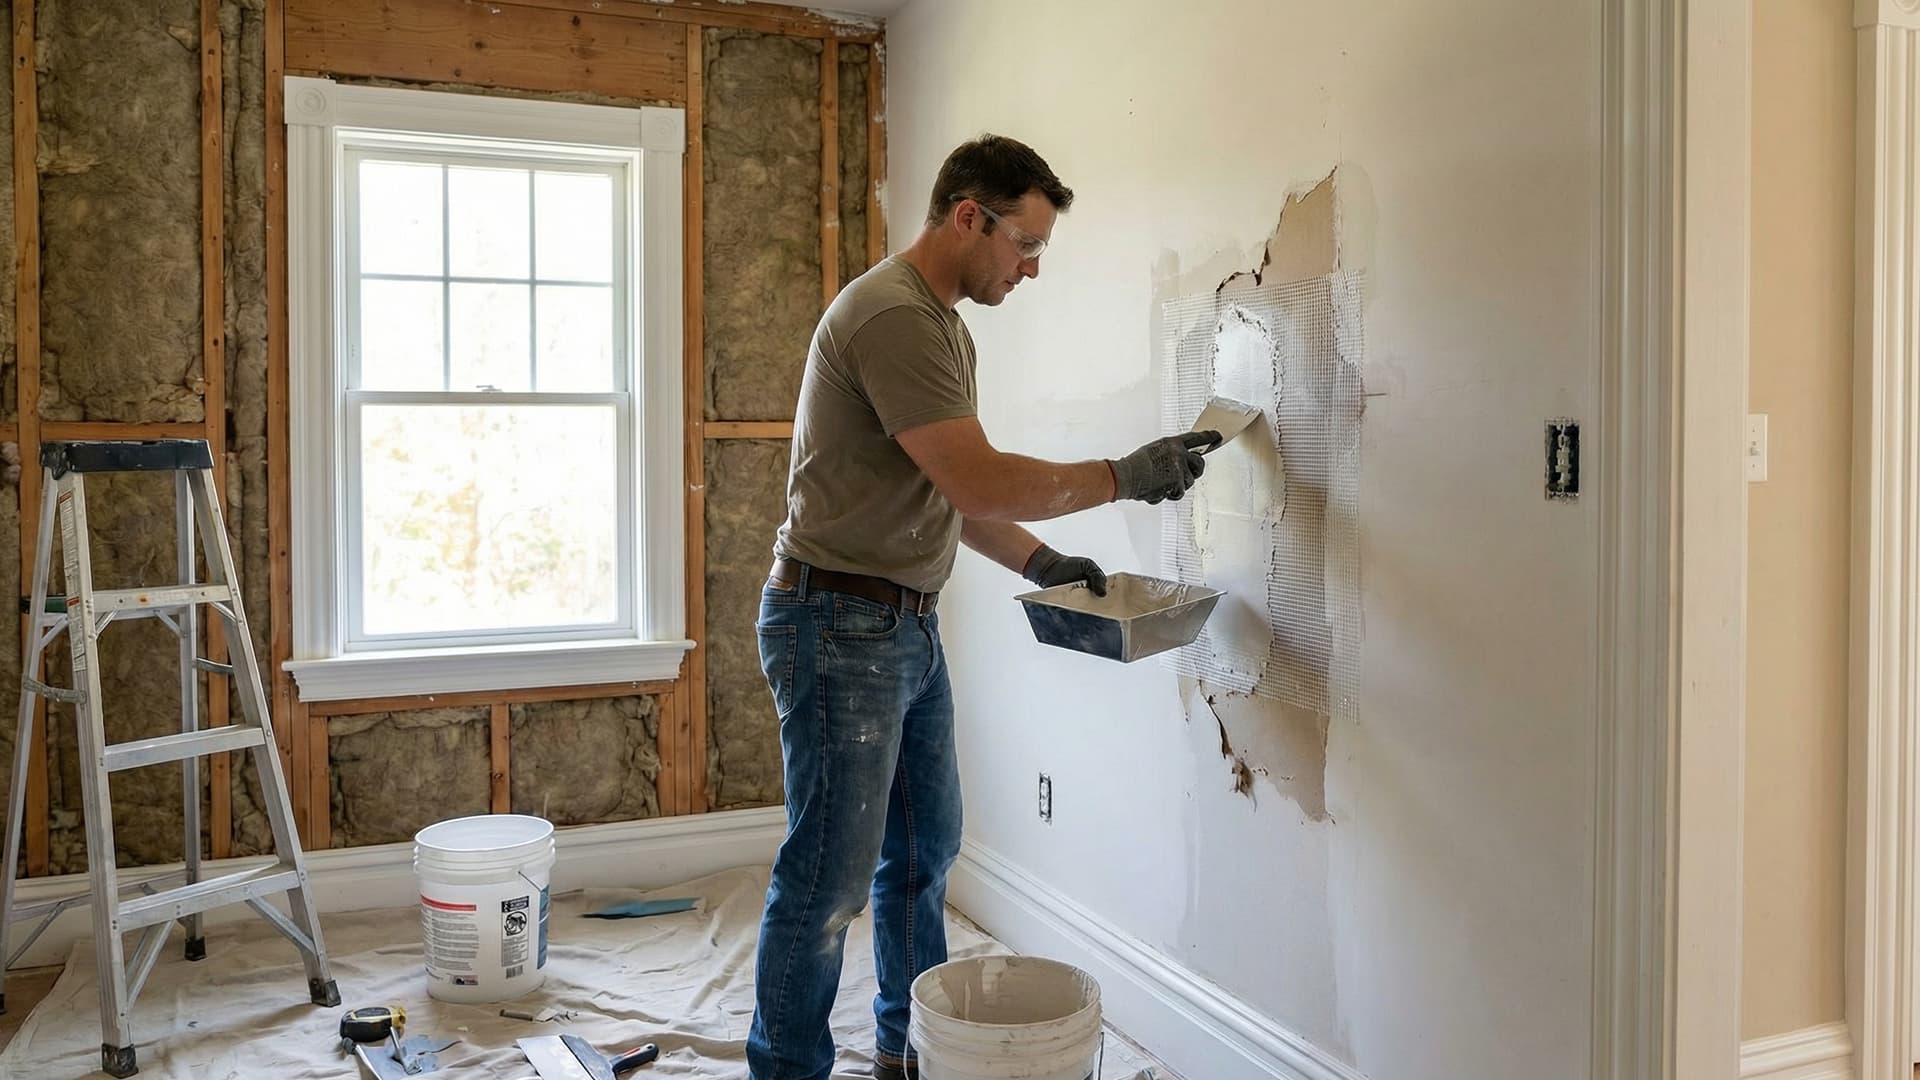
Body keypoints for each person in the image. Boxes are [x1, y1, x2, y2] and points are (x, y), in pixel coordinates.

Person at [747, 133, 1219, 1080]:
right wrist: (1125, 475)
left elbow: (950, 492)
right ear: (970, 217)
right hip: (838, 626)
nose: (1031, 268)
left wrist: (1044, 560)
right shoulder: (893, 316)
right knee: (829, 880)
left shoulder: (945, 328)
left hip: (903, 625)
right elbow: (981, 478)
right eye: (1026, 244)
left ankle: (908, 1050)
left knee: (924, 854)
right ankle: (786, 1068)